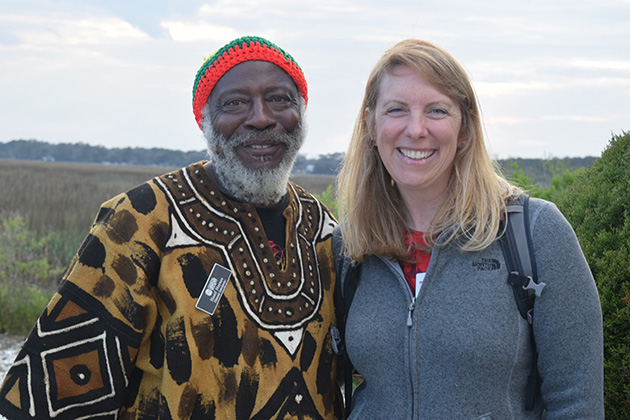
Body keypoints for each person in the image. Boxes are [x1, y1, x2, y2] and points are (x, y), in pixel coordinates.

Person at [0, 35, 342, 420]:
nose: (260, 117)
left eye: (280, 99)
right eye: (235, 103)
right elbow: (60, 393)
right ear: (205, 121)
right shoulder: (141, 219)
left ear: (302, 112)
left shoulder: (326, 231)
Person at [334, 39, 604, 419]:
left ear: (464, 127)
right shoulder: (350, 246)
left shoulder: (535, 233)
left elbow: (576, 402)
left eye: (437, 110)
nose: (416, 129)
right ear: (370, 125)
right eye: (396, 110)